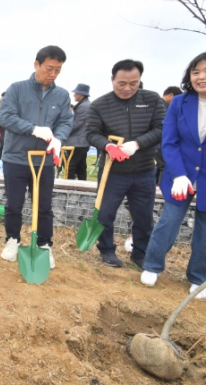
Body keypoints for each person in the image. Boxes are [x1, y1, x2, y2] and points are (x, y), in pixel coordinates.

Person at [141, 52, 206, 299]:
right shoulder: (180, 103)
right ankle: (152, 265)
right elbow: (169, 142)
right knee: (168, 221)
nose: (201, 77)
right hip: (180, 175)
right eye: (195, 72)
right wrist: (178, 174)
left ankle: (200, 279)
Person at [86, 59, 166, 268]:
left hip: (144, 169)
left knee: (143, 216)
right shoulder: (100, 105)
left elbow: (161, 128)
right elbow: (92, 133)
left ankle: (140, 253)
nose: (128, 88)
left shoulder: (152, 100)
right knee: (105, 213)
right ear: (112, 79)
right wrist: (108, 146)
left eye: (134, 83)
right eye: (122, 83)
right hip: (112, 171)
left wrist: (138, 144)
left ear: (140, 80)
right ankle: (106, 251)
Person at [0, 45, 73, 269]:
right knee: (14, 204)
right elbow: (6, 117)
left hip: (45, 160)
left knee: (43, 206)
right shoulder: (17, 89)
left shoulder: (61, 95)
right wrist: (33, 129)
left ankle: (44, 245)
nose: (53, 74)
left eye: (58, 70)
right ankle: (12, 239)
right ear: (36, 65)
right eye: (49, 68)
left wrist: (59, 138)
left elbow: (65, 121)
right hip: (15, 157)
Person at [155, 86, 184, 184]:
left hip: (152, 142)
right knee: (165, 165)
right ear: (171, 95)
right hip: (160, 141)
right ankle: (161, 188)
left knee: (157, 165)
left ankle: (157, 187)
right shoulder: (165, 107)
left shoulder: (154, 103)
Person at [63, 83, 92, 180]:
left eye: (76, 93)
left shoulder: (84, 106)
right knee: (81, 167)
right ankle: (82, 186)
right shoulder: (85, 105)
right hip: (81, 142)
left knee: (70, 166)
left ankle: (69, 188)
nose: (74, 95)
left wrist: (63, 131)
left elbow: (76, 124)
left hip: (78, 142)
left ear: (81, 94)